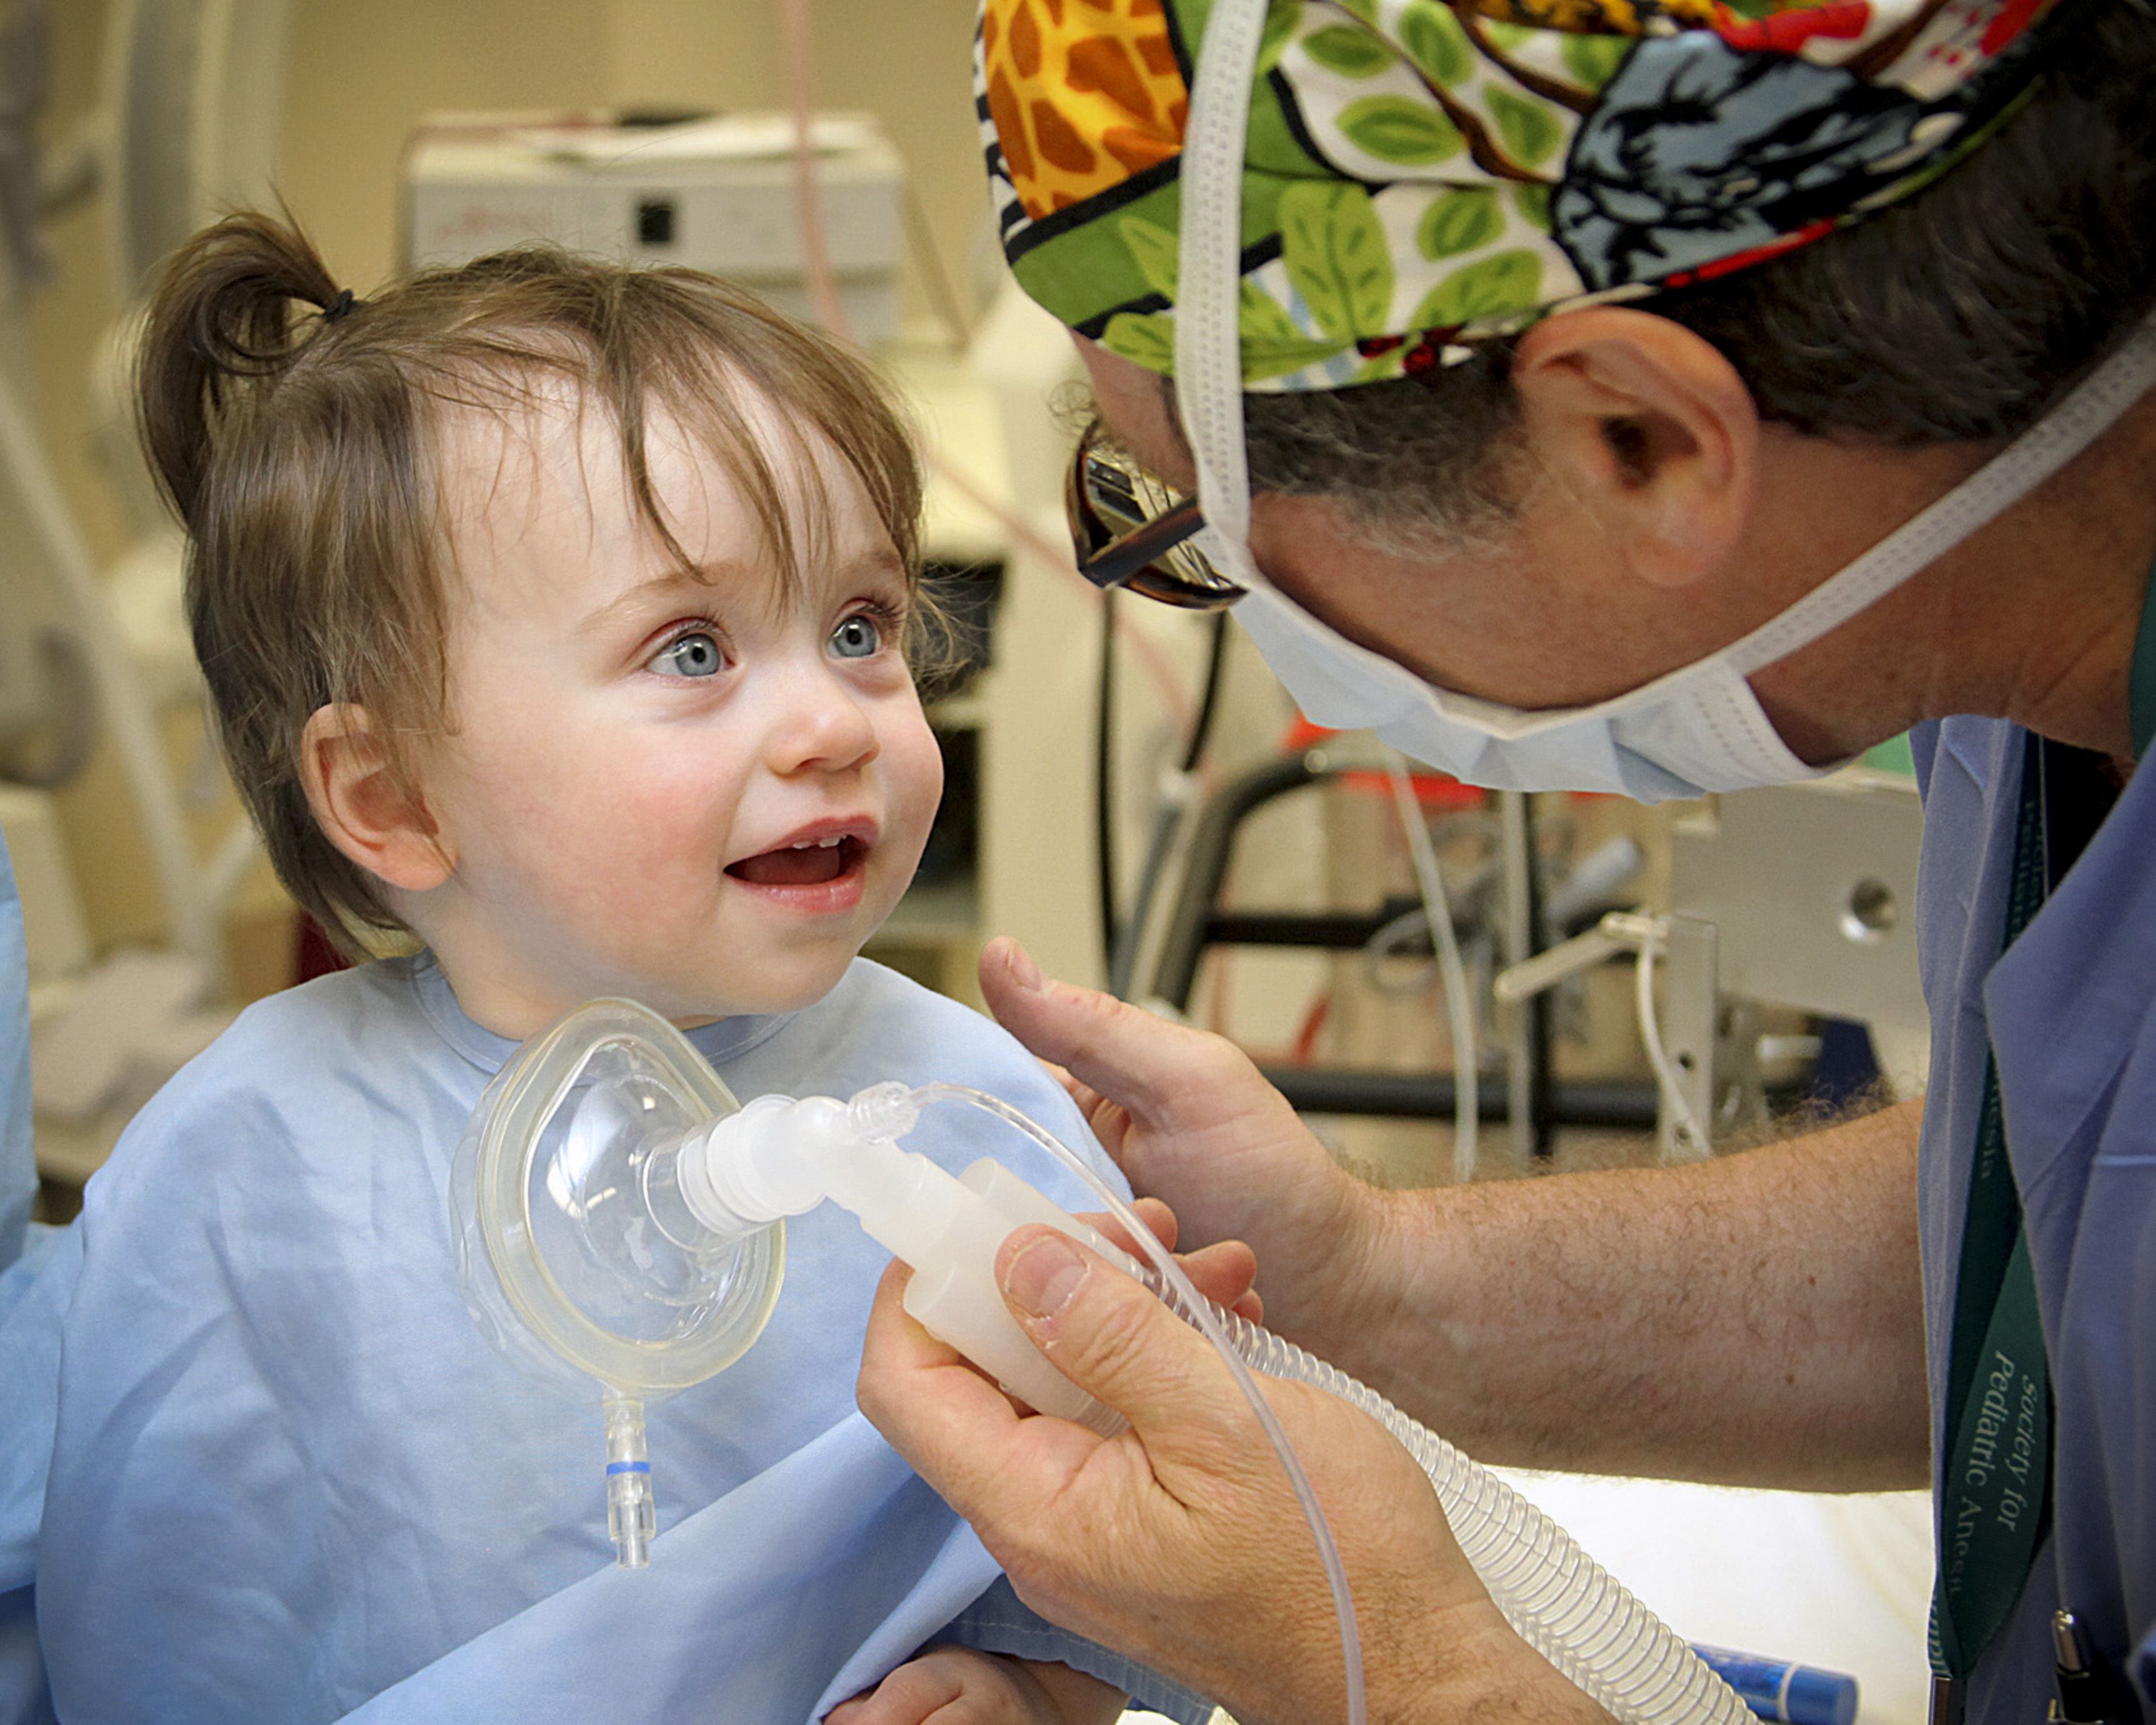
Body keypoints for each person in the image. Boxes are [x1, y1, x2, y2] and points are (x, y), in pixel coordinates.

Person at [858, 1, 2156, 1721]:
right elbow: (2066, 1248)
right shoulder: (2031, 676)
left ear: (1641, 435)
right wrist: (1364, 1289)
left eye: (1190, 522)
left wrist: (1392, 1669)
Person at [0, 213, 1233, 1725]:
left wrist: (1029, 1695)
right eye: (693, 652)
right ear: (391, 794)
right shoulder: (246, 1155)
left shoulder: (961, 1115)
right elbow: (149, 1596)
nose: (835, 721)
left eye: (860, 625)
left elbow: (1132, 1568)